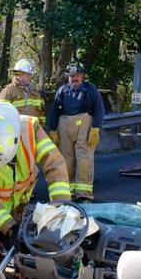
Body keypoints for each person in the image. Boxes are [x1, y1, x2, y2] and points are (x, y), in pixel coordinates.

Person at [0, 101, 70, 261]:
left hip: (16, 204)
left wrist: (61, 207)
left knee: (20, 253)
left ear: (14, 141)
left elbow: (54, 164)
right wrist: (10, 227)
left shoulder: (30, 130)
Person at [46, 61, 105, 202]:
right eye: (72, 76)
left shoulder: (90, 89)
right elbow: (54, 111)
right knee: (66, 159)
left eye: (77, 75)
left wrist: (95, 128)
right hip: (64, 126)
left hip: (84, 126)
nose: (75, 78)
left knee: (84, 159)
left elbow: (99, 109)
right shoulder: (62, 91)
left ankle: (84, 194)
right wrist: (52, 129)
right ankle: (69, 192)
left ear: (82, 76)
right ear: (68, 77)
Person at [0, 58, 45, 124]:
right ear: (19, 74)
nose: (30, 77)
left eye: (30, 74)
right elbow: (0, 114)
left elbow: (41, 114)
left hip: (33, 130)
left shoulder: (35, 92)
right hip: (15, 130)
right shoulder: (8, 91)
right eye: (27, 74)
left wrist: (42, 127)